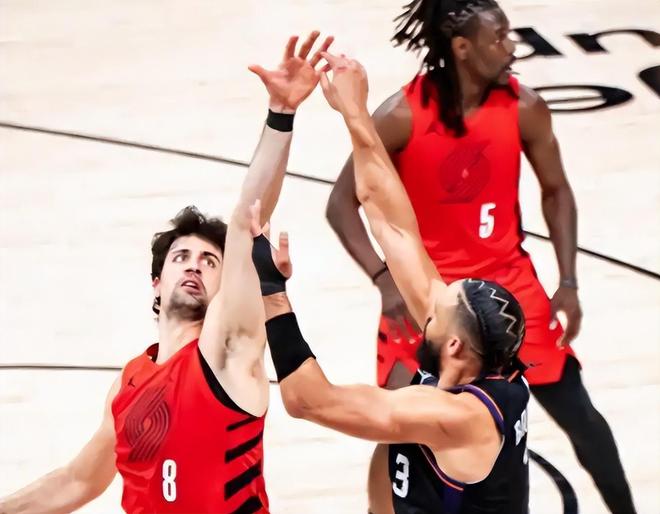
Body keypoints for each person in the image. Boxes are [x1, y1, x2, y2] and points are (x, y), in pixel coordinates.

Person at [0, 31, 333, 514]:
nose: (195, 265)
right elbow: (77, 481)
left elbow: (247, 219)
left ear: (223, 287)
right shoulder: (129, 381)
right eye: (181, 258)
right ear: (157, 282)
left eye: (210, 262)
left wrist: (280, 115)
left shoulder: (226, 351)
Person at [324, 1, 635, 512]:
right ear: (462, 48)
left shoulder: (525, 106)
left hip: (512, 290)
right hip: (431, 293)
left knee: (580, 417)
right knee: (394, 429)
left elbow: (557, 190)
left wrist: (569, 282)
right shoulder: (401, 114)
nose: (512, 46)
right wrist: (382, 278)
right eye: (499, 37)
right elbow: (341, 203)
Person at [252, 51, 530, 514]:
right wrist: (356, 114)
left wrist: (270, 288)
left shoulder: (456, 416)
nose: (429, 301)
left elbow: (310, 402)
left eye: (438, 310)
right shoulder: (474, 356)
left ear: (455, 346)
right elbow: (394, 226)